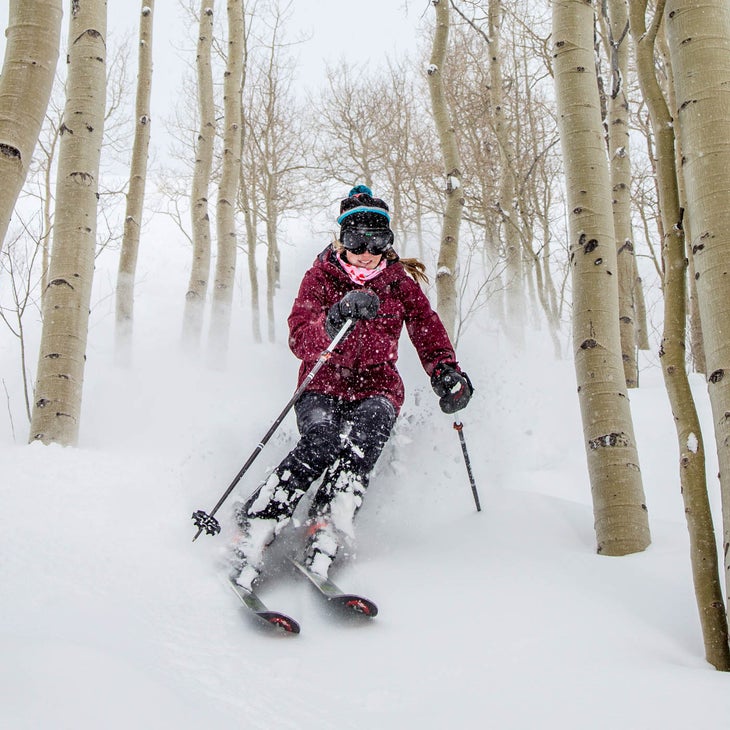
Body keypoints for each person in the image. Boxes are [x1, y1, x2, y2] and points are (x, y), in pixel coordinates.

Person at [229, 185, 473, 590]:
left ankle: (327, 524)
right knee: (321, 441)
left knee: (368, 433)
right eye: (356, 239)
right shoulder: (321, 277)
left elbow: (427, 328)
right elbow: (298, 338)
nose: (366, 251)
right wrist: (334, 316)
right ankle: (259, 521)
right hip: (322, 382)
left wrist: (445, 371)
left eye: (377, 241)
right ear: (341, 239)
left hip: (377, 384)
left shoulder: (398, 283)